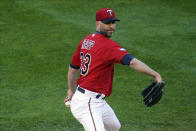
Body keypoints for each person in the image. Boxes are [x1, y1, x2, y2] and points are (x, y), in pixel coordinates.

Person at [64, 8, 163, 131]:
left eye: (113, 22)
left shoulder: (86, 41)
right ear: (97, 23)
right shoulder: (108, 46)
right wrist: (155, 74)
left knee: (114, 127)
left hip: (96, 101)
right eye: (107, 23)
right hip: (87, 103)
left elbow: (73, 68)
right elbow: (132, 62)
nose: (111, 26)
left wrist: (71, 90)